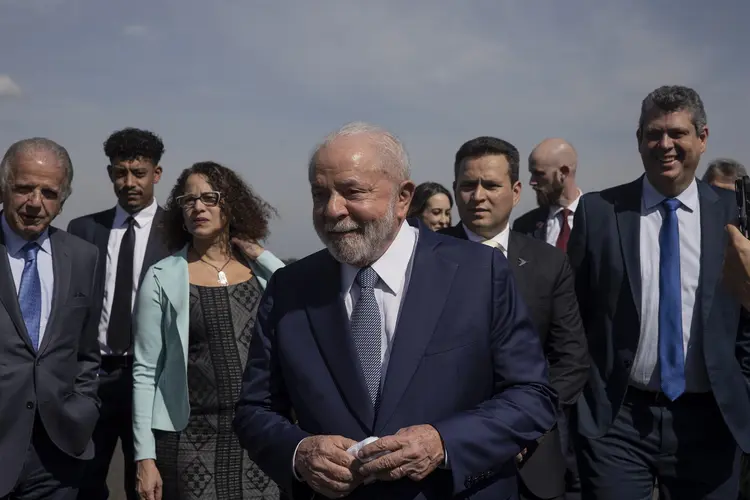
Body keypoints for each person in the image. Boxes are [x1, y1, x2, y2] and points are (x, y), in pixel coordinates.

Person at [233, 122, 558, 500]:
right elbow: (255, 410)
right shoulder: (291, 288)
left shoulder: (479, 273)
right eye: (320, 194)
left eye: (352, 192)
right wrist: (299, 453)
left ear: (403, 197)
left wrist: (443, 442)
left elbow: (531, 394)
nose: (332, 209)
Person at [568, 85, 750, 500]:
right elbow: (574, 317)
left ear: (702, 139)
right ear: (638, 140)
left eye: (678, 134)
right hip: (617, 421)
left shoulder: (735, 215)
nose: (665, 145)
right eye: (653, 134)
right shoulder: (600, 212)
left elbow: (746, 317)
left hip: (712, 421)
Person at [439, 136, 589, 500]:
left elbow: (570, 358)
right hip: (446, 455)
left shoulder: (549, 263)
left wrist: (520, 422)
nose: (478, 196)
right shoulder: (427, 258)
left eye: (491, 185)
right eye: (467, 185)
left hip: (531, 454)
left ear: (516, 190)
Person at [132, 162, 285, 500]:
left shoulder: (259, 272)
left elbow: (297, 296)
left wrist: (261, 253)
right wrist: (145, 457)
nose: (198, 207)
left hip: (260, 435)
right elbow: (145, 371)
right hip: (190, 442)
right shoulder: (162, 276)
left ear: (230, 204)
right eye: (188, 200)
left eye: (210, 198)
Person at [66, 127, 171, 500]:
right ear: (110, 173)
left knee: (146, 485)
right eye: (119, 173)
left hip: (151, 380)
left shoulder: (177, 233)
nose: (129, 182)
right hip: (92, 378)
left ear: (156, 174)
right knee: (84, 480)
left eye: (138, 173)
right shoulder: (82, 230)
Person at [0, 138, 102, 499]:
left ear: (63, 201)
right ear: (4, 187)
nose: (34, 203)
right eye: (24, 188)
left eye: (48, 192)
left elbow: (87, 352)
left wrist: (84, 407)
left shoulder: (83, 257)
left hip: (57, 455)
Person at [513, 138, 583, 252]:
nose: (532, 181)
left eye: (539, 174)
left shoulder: (601, 220)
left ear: (563, 172)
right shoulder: (524, 227)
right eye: (532, 173)